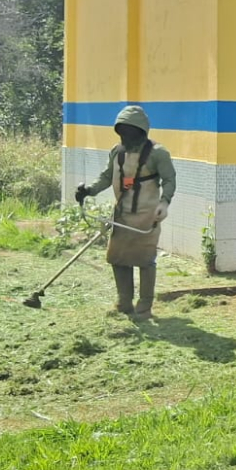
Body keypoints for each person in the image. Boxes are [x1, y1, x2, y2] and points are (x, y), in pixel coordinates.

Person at [75, 105, 176, 321]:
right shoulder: (117, 151)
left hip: (147, 216)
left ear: (140, 131)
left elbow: (169, 180)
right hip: (122, 214)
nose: (125, 136)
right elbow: (106, 176)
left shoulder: (158, 153)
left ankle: (144, 308)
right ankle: (124, 302)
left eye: (130, 131)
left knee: (145, 260)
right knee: (118, 258)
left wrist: (164, 203)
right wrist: (89, 190)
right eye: (122, 131)